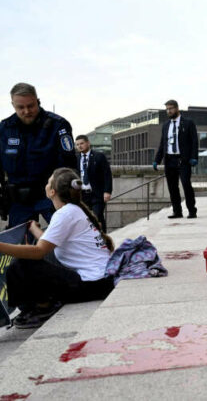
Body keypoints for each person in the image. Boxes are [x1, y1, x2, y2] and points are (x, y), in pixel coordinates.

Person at [0, 168, 115, 328]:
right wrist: (34, 229)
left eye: (48, 182)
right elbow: (50, 242)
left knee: (22, 265)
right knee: (33, 260)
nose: (46, 184)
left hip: (91, 285)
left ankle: (43, 307)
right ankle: (39, 305)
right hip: (101, 281)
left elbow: (39, 251)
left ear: (52, 191)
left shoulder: (64, 214)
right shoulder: (73, 210)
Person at [0, 83, 77, 228]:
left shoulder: (58, 125)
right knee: (20, 244)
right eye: (20, 108)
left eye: (31, 106)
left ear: (38, 101)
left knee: (66, 237)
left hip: (51, 195)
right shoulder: (5, 128)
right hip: (18, 200)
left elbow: (69, 166)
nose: (26, 111)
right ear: (13, 105)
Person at [153, 100, 198, 219]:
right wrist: (157, 160)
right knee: (172, 188)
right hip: (169, 160)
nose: (169, 111)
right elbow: (163, 144)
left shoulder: (188, 123)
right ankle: (177, 211)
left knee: (186, 184)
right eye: (167, 109)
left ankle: (192, 210)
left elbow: (194, 141)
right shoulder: (166, 125)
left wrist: (193, 157)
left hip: (183, 160)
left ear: (177, 108)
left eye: (171, 108)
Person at [75, 135, 113, 233]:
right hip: (82, 195)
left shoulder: (99, 156)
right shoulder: (76, 158)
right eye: (77, 144)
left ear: (88, 143)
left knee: (97, 216)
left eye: (82, 143)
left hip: (97, 194)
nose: (80, 146)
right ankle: (97, 239)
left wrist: (107, 191)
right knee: (85, 219)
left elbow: (107, 174)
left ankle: (103, 241)